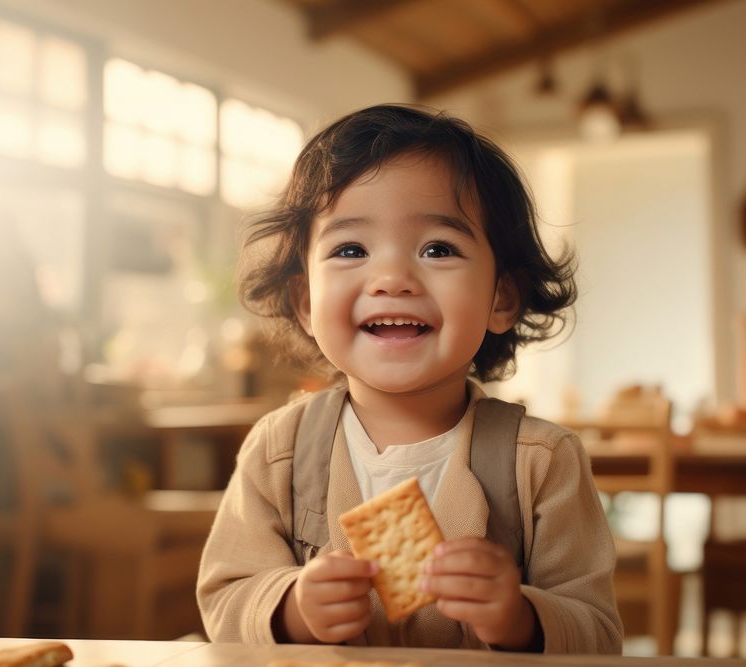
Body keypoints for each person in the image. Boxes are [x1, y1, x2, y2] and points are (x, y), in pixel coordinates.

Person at [196, 104, 622, 653]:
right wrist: (293, 608)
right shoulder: (280, 451)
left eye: (438, 249)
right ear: (305, 303)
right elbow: (225, 603)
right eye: (351, 249)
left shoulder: (541, 462)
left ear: (502, 297)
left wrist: (521, 618)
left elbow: (599, 634)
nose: (392, 278)